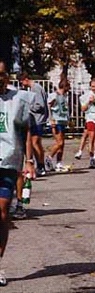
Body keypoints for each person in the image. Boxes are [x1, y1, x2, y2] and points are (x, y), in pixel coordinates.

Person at [0, 71, 35, 286]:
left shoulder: (18, 99)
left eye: (1, 75)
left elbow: (26, 131)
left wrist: (29, 160)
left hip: (9, 161)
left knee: (1, 210)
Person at [18, 72, 48, 176]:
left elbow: (39, 106)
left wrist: (27, 107)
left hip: (37, 119)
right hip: (36, 119)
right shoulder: (34, 88)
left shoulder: (36, 88)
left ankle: (41, 166)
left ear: (26, 79)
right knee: (36, 143)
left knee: (35, 143)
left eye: (21, 81)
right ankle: (40, 166)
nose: (22, 84)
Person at [79, 79, 95, 168]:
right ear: (90, 86)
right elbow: (83, 109)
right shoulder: (86, 96)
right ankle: (92, 158)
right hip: (90, 117)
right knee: (92, 137)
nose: (94, 88)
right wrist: (89, 102)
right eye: (92, 86)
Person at [45, 79, 70, 171]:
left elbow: (64, 108)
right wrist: (51, 119)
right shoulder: (54, 95)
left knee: (62, 144)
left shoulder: (64, 96)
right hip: (56, 121)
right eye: (68, 87)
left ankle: (59, 163)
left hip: (63, 120)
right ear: (65, 87)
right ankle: (49, 157)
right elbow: (48, 107)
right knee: (59, 143)